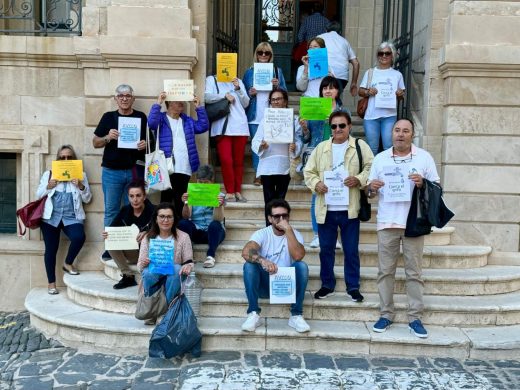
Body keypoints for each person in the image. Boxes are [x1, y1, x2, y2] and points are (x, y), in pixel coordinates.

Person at [366, 118, 439, 338]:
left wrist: (422, 183)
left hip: (413, 222)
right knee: (385, 271)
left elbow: (437, 187)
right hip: (387, 222)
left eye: (405, 131)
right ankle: (386, 314)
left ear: (412, 134)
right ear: (391, 134)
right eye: (397, 130)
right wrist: (371, 188)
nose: (400, 134)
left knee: (414, 273)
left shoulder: (424, 157)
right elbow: (369, 192)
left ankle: (415, 317)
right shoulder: (380, 159)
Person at [303, 111, 373, 302]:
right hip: (326, 208)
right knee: (326, 249)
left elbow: (371, 167)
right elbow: (308, 171)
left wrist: (358, 179)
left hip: (350, 208)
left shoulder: (359, 145)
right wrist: (316, 183)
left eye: (342, 125)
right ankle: (327, 284)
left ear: (349, 126)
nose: (338, 129)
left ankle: (353, 286)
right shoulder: (321, 148)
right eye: (334, 126)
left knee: (351, 250)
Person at [92, 84, 147, 261]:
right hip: (112, 171)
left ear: (133, 98)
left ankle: (128, 247)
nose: (124, 98)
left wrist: (145, 145)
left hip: (133, 171)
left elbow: (151, 143)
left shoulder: (141, 117)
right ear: (116, 98)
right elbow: (95, 142)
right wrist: (108, 137)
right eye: (121, 96)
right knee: (111, 210)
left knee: (132, 209)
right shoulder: (108, 117)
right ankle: (110, 248)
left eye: (128, 96)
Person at [241, 199, 310, 333]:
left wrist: (288, 230)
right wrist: (262, 260)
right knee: (249, 266)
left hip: (286, 286)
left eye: (285, 216)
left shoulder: (295, 234)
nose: (281, 219)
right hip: (265, 285)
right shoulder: (262, 233)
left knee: (302, 266)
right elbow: (246, 252)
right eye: (277, 216)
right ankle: (253, 313)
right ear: (270, 218)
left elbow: (298, 256)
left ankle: (296, 315)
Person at [36, 145, 92, 295]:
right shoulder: (49, 174)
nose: (66, 159)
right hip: (50, 217)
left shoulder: (81, 175)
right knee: (51, 250)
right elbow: (38, 195)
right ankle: (51, 283)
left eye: (69, 157)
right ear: (58, 159)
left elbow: (88, 198)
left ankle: (68, 263)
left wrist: (80, 185)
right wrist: (49, 186)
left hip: (71, 216)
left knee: (79, 237)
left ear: (73, 159)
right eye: (62, 157)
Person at [299, 76, 346, 247]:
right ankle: (318, 234)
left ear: (337, 91)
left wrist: (335, 125)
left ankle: (334, 236)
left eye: (331, 88)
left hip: (338, 157)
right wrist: (304, 127)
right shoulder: (314, 109)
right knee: (316, 196)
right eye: (325, 88)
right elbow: (305, 138)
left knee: (336, 197)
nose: (327, 91)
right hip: (316, 156)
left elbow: (348, 136)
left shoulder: (343, 112)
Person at [148, 92, 209, 219]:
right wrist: (158, 103)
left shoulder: (187, 120)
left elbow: (203, 126)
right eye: (177, 101)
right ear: (169, 103)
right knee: (166, 201)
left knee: (181, 201)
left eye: (182, 101)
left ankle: (180, 232)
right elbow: (151, 123)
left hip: (184, 167)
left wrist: (199, 108)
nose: (181, 103)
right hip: (166, 166)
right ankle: (164, 232)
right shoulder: (161, 118)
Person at [137, 202, 194, 325]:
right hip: (153, 277)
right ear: (156, 219)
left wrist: (187, 266)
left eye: (169, 216)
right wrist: (144, 262)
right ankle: (151, 309)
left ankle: (163, 311)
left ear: (174, 219)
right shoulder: (148, 237)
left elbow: (189, 261)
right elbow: (139, 267)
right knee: (147, 272)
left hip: (172, 278)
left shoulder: (183, 237)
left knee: (177, 268)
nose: (165, 220)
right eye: (162, 216)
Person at [251, 88, 302, 225]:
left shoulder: (293, 119)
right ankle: (269, 230)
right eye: (273, 99)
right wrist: (261, 145)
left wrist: (295, 146)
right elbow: (255, 141)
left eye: (279, 99)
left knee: (281, 201)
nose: (276, 102)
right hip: (267, 165)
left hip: (284, 165)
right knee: (269, 202)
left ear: (285, 101)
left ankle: (281, 227)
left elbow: (298, 139)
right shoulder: (265, 119)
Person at [243, 42, 287, 186]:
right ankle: (258, 174)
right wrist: (250, 93)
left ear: (270, 55)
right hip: (255, 115)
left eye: (266, 53)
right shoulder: (249, 72)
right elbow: (242, 96)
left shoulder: (277, 71)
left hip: (273, 114)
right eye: (260, 52)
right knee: (257, 145)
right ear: (256, 54)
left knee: (272, 144)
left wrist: (277, 85)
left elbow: (284, 93)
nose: (263, 55)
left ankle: (271, 173)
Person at [102, 180, 155, 289]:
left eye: (138, 196)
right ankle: (128, 276)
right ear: (128, 197)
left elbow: (167, 231)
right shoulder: (125, 210)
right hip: (134, 253)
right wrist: (107, 234)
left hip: (150, 254)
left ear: (144, 197)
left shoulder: (154, 210)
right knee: (110, 241)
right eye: (131, 196)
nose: (135, 200)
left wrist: (148, 233)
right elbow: (112, 228)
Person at [205, 75, 250, 202]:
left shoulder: (238, 80)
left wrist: (238, 88)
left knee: (238, 161)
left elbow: (246, 103)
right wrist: (223, 96)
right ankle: (229, 191)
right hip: (222, 127)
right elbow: (206, 97)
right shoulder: (211, 79)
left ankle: (237, 191)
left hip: (240, 125)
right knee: (226, 160)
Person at [359, 41, 405, 156]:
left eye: (387, 53)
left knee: (388, 147)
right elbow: (360, 91)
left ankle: (386, 172)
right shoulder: (370, 72)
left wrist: (399, 95)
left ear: (392, 55)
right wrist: (368, 92)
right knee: (371, 149)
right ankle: (372, 173)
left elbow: (401, 97)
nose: (384, 56)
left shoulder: (397, 75)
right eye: (381, 53)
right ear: (377, 55)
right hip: (371, 116)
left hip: (389, 116)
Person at [178, 165, 226, 268]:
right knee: (182, 223)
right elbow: (186, 217)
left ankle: (211, 256)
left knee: (215, 225)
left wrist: (218, 205)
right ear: (197, 181)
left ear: (211, 181)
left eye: (206, 182)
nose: (203, 185)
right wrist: (185, 203)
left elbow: (218, 219)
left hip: (214, 232)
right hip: (197, 230)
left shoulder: (219, 194)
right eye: (200, 182)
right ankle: (188, 256)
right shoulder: (192, 193)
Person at [318, 21, 360, 95]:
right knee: (334, 97)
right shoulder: (344, 41)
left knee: (324, 97)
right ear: (339, 32)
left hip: (324, 75)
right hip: (342, 77)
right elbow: (356, 63)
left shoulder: (320, 37)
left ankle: (337, 105)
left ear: (326, 30)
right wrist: (353, 83)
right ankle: (337, 105)